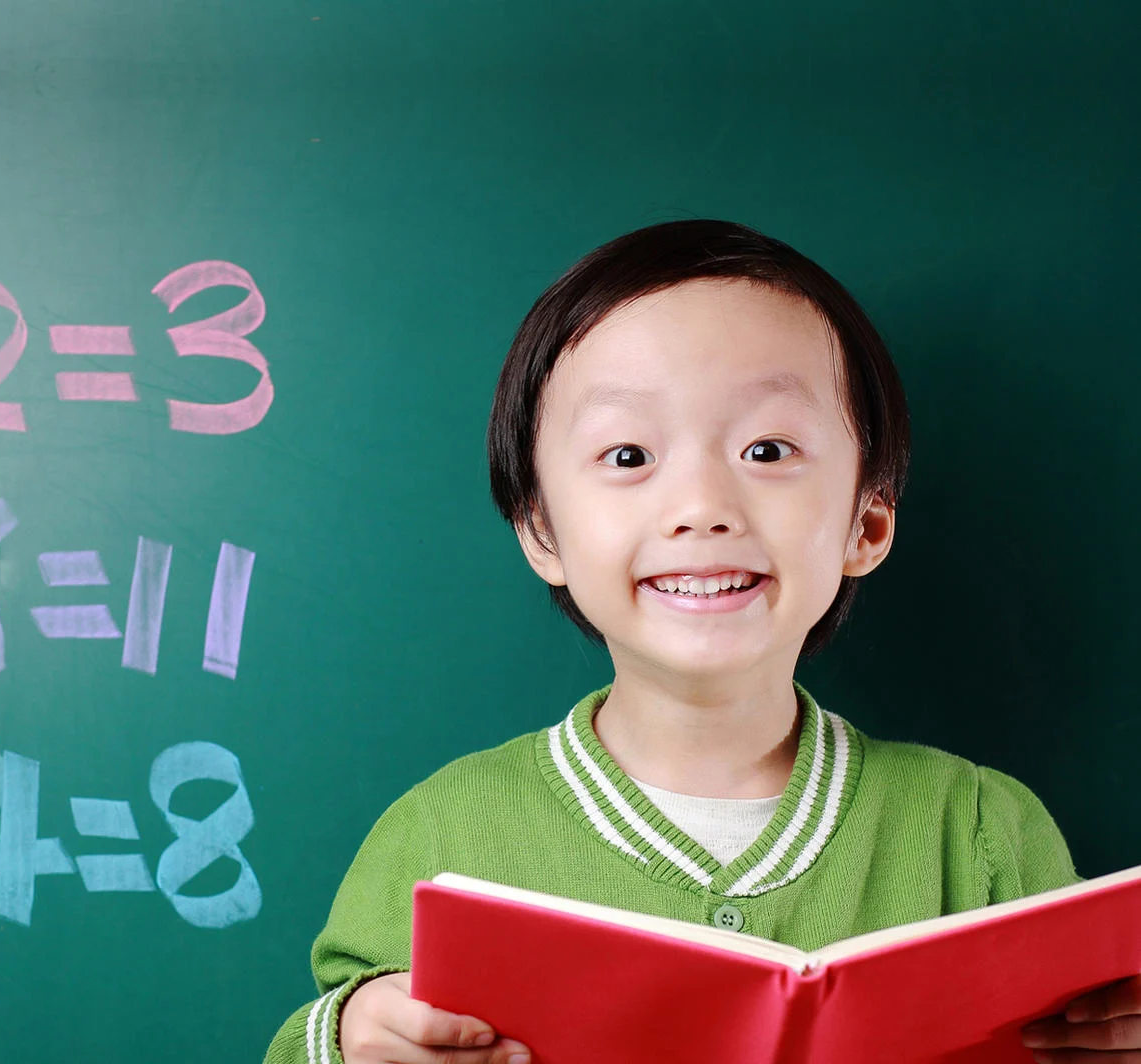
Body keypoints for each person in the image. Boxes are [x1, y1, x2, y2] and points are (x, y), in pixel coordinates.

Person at [264, 220, 1141, 1064]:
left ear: (866, 524)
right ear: (542, 533)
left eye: (767, 449)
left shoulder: (982, 833)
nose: (701, 507)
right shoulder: (441, 838)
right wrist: (351, 1040)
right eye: (628, 456)